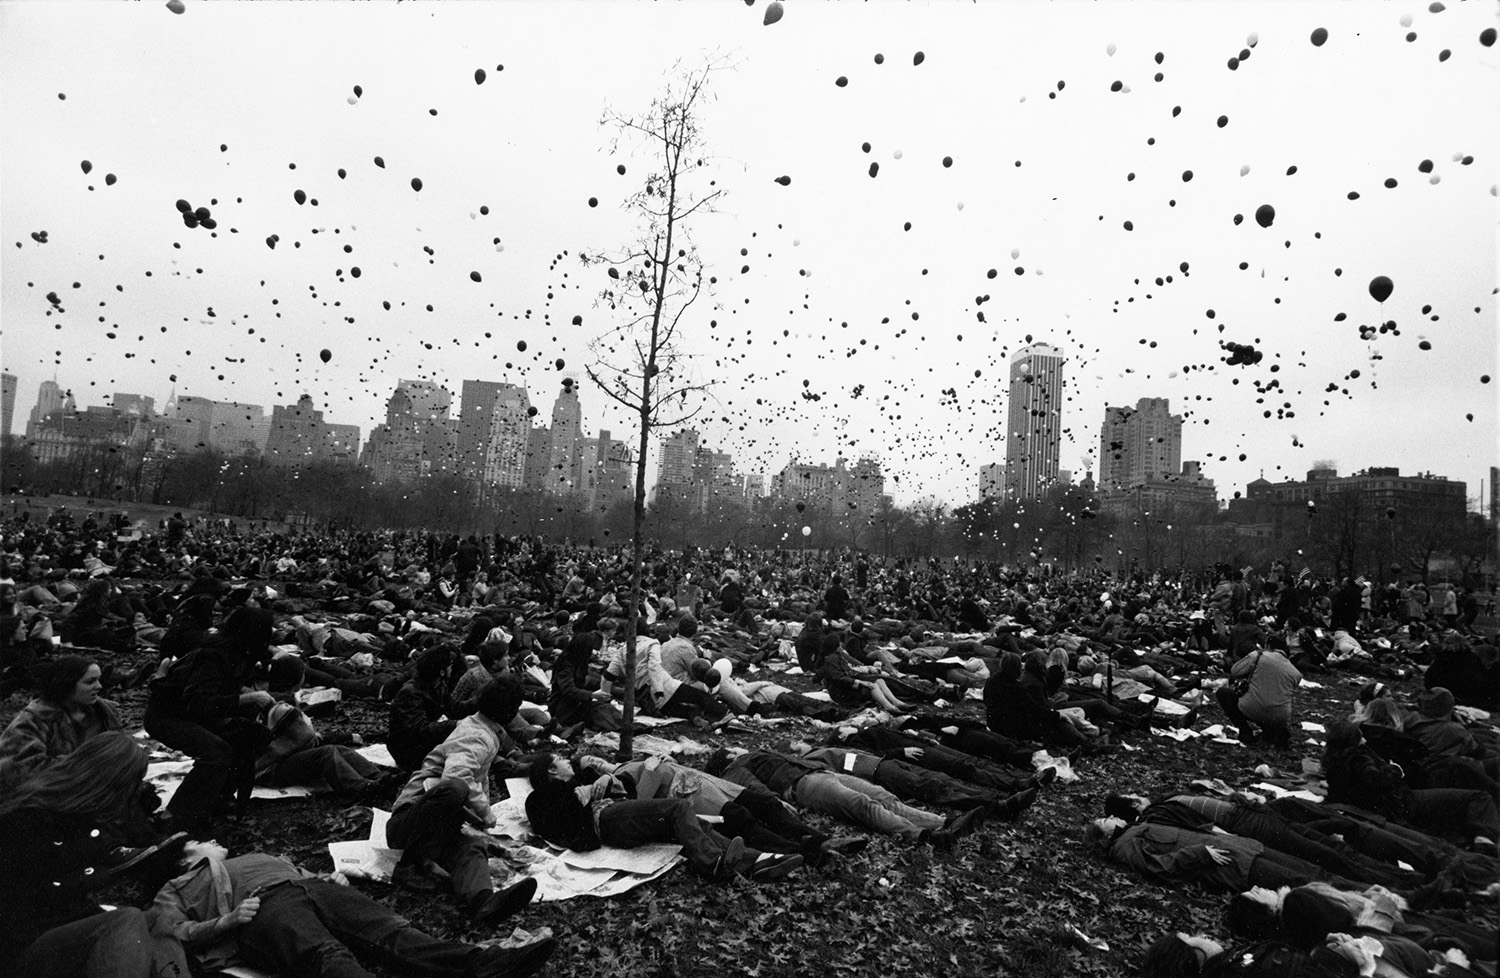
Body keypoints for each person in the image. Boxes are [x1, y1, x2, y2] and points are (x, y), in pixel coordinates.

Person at [147, 838, 552, 978]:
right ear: (186, 857)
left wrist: (328, 878)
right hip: (262, 910)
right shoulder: (178, 886)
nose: (213, 842)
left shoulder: (255, 855)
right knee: (326, 955)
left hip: (309, 887)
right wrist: (226, 921)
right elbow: (168, 932)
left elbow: (301, 870)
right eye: (200, 841)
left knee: (390, 929)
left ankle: (484, 965)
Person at [0, 732, 188, 978]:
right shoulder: (28, 820)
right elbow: (28, 908)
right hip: (19, 950)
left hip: (52, 927)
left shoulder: (80, 814)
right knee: (126, 920)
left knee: (156, 921)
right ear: (113, 784)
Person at [385, 678, 541, 923]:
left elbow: (478, 776)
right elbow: (457, 775)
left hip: (435, 827)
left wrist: (479, 820)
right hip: (407, 822)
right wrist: (485, 813)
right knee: (455, 788)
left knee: (471, 845)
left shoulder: (485, 728)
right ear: (510, 711)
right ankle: (408, 866)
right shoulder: (476, 735)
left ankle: (483, 902)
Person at [524, 753, 802, 882]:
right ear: (551, 770)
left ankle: (758, 861)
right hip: (605, 821)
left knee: (696, 824)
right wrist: (580, 796)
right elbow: (556, 823)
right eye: (560, 758)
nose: (566, 760)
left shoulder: (582, 781)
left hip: (615, 815)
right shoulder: (540, 798)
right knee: (677, 808)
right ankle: (712, 864)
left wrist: (605, 780)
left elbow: (621, 788)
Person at [143, 606, 278, 832]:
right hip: (167, 716)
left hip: (195, 713)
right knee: (216, 752)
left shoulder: (240, 652)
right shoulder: (213, 656)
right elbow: (199, 703)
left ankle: (216, 799)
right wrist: (247, 699)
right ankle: (175, 816)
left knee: (253, 737)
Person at [709, 748, 983, 850]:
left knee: (882, 795)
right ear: (728, 757)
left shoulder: (755, 754)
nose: (738, 747)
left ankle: (945, 821)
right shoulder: (735, 767)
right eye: (732, 748)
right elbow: (752, 785)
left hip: (820, 772)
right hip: (804, 785)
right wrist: (776, 801)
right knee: (861, 804)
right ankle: (923, 836)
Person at [1320, 719, 1500, 845]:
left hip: (1397, 806)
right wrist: (1395, 770)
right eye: (1361, 737)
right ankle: (1485, 840)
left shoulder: (1334, 763)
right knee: (1480, 797)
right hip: (1404, 802)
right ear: (1353, 740)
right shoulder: (1358, 758)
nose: (1365, 739)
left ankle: (1482, 836)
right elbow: (1375, 779)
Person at [1084, 816, 1353, 892]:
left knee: (1315, 871)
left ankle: (1374, 895)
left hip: (1241, 848)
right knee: (1307, 883)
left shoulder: (1135, 828)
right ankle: (1367, 905)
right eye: (1104, 821)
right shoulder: (1123, 847)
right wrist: (1201, 852)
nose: (1110, 817)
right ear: (1104, 835)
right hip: (1233, 865)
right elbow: (1160, 867)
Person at [0, 654, 123, 791]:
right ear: (66, 684)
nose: (99, 686)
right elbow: (20, 770)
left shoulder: (105, 713)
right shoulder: (34, 720)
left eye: (99, 680)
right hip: (43, 795)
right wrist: (87, 764)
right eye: (90, 682)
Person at [387, 644, 460, 770]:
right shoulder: (410, 692)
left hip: (421, 743)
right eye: (449, 666)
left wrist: (480, 702)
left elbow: (455, 708)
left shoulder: (438, 685)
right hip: (407, 751)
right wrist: (455, 725)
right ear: (441, 671)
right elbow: (420, 730)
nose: (451, 668)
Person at [1215, 646, 1301, 749]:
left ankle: (1245, 730)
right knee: (1270, 704)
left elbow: (1235, 671)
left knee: (1224, 693)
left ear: (1268, 645)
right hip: (1280, 715)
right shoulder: (1295, 673)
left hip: (1252, 708)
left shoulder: (1258, 656)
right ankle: (1273, 731)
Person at [549, 632, 622, 733]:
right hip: (563, 709)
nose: (591, 653)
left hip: (574, 704)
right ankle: (621, 728)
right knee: (599, 710)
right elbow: (568, 690)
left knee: (608, 708)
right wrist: (592, 695)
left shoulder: (577, 662)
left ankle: (624, 725)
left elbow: (586, 681)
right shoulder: (566, 665)